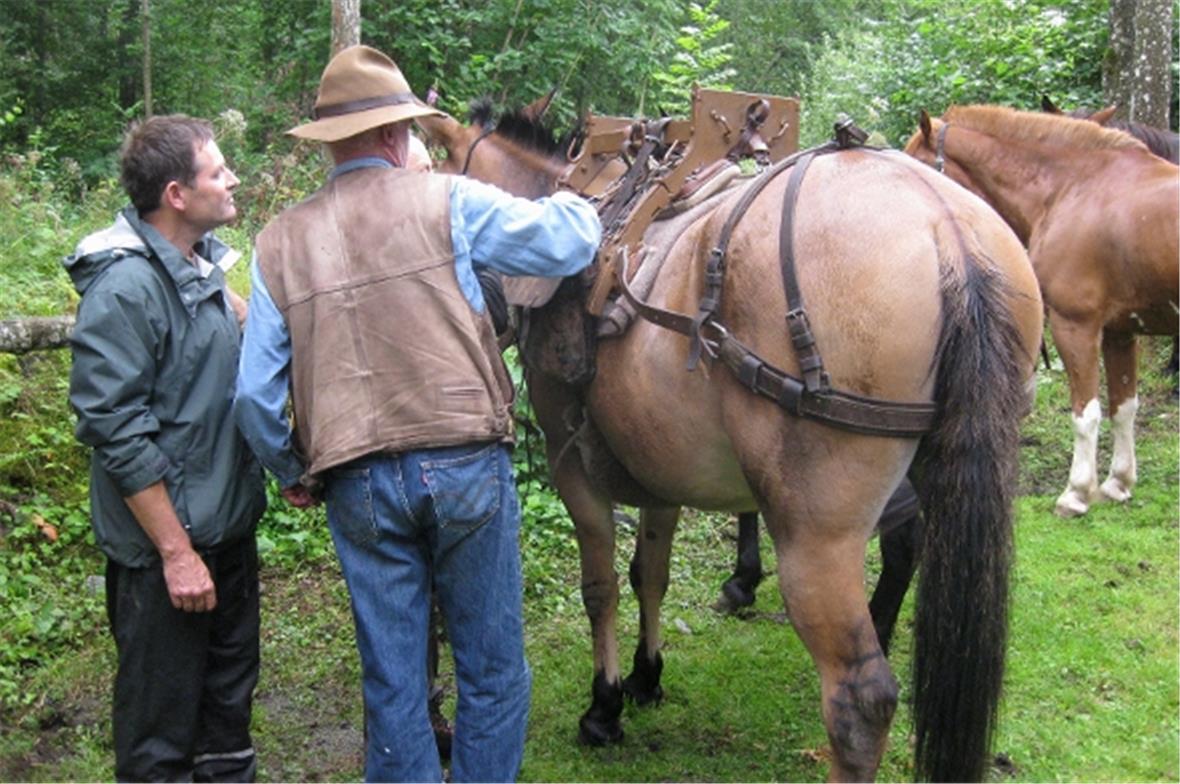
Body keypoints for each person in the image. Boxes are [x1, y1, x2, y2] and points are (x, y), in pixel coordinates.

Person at [233, 45, 601, 783]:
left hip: (355, 479)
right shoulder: (449, 201)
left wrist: (289, 467)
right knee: (492, 669)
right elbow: (567, 242)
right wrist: (574, 192)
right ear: (398, 135)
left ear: (332, 143)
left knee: (393, 680)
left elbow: (253, 395)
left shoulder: (277, 243)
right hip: (465, 462)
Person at [64, 114, 267, 782]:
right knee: (160, 741)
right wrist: (177, 555)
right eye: (218, 170)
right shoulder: (125, 290)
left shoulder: (202, 273)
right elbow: (115, 430)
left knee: (225, 726)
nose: (233, 178)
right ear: (177, 194)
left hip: (229, 540)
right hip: (167, 565)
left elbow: (217, 401)